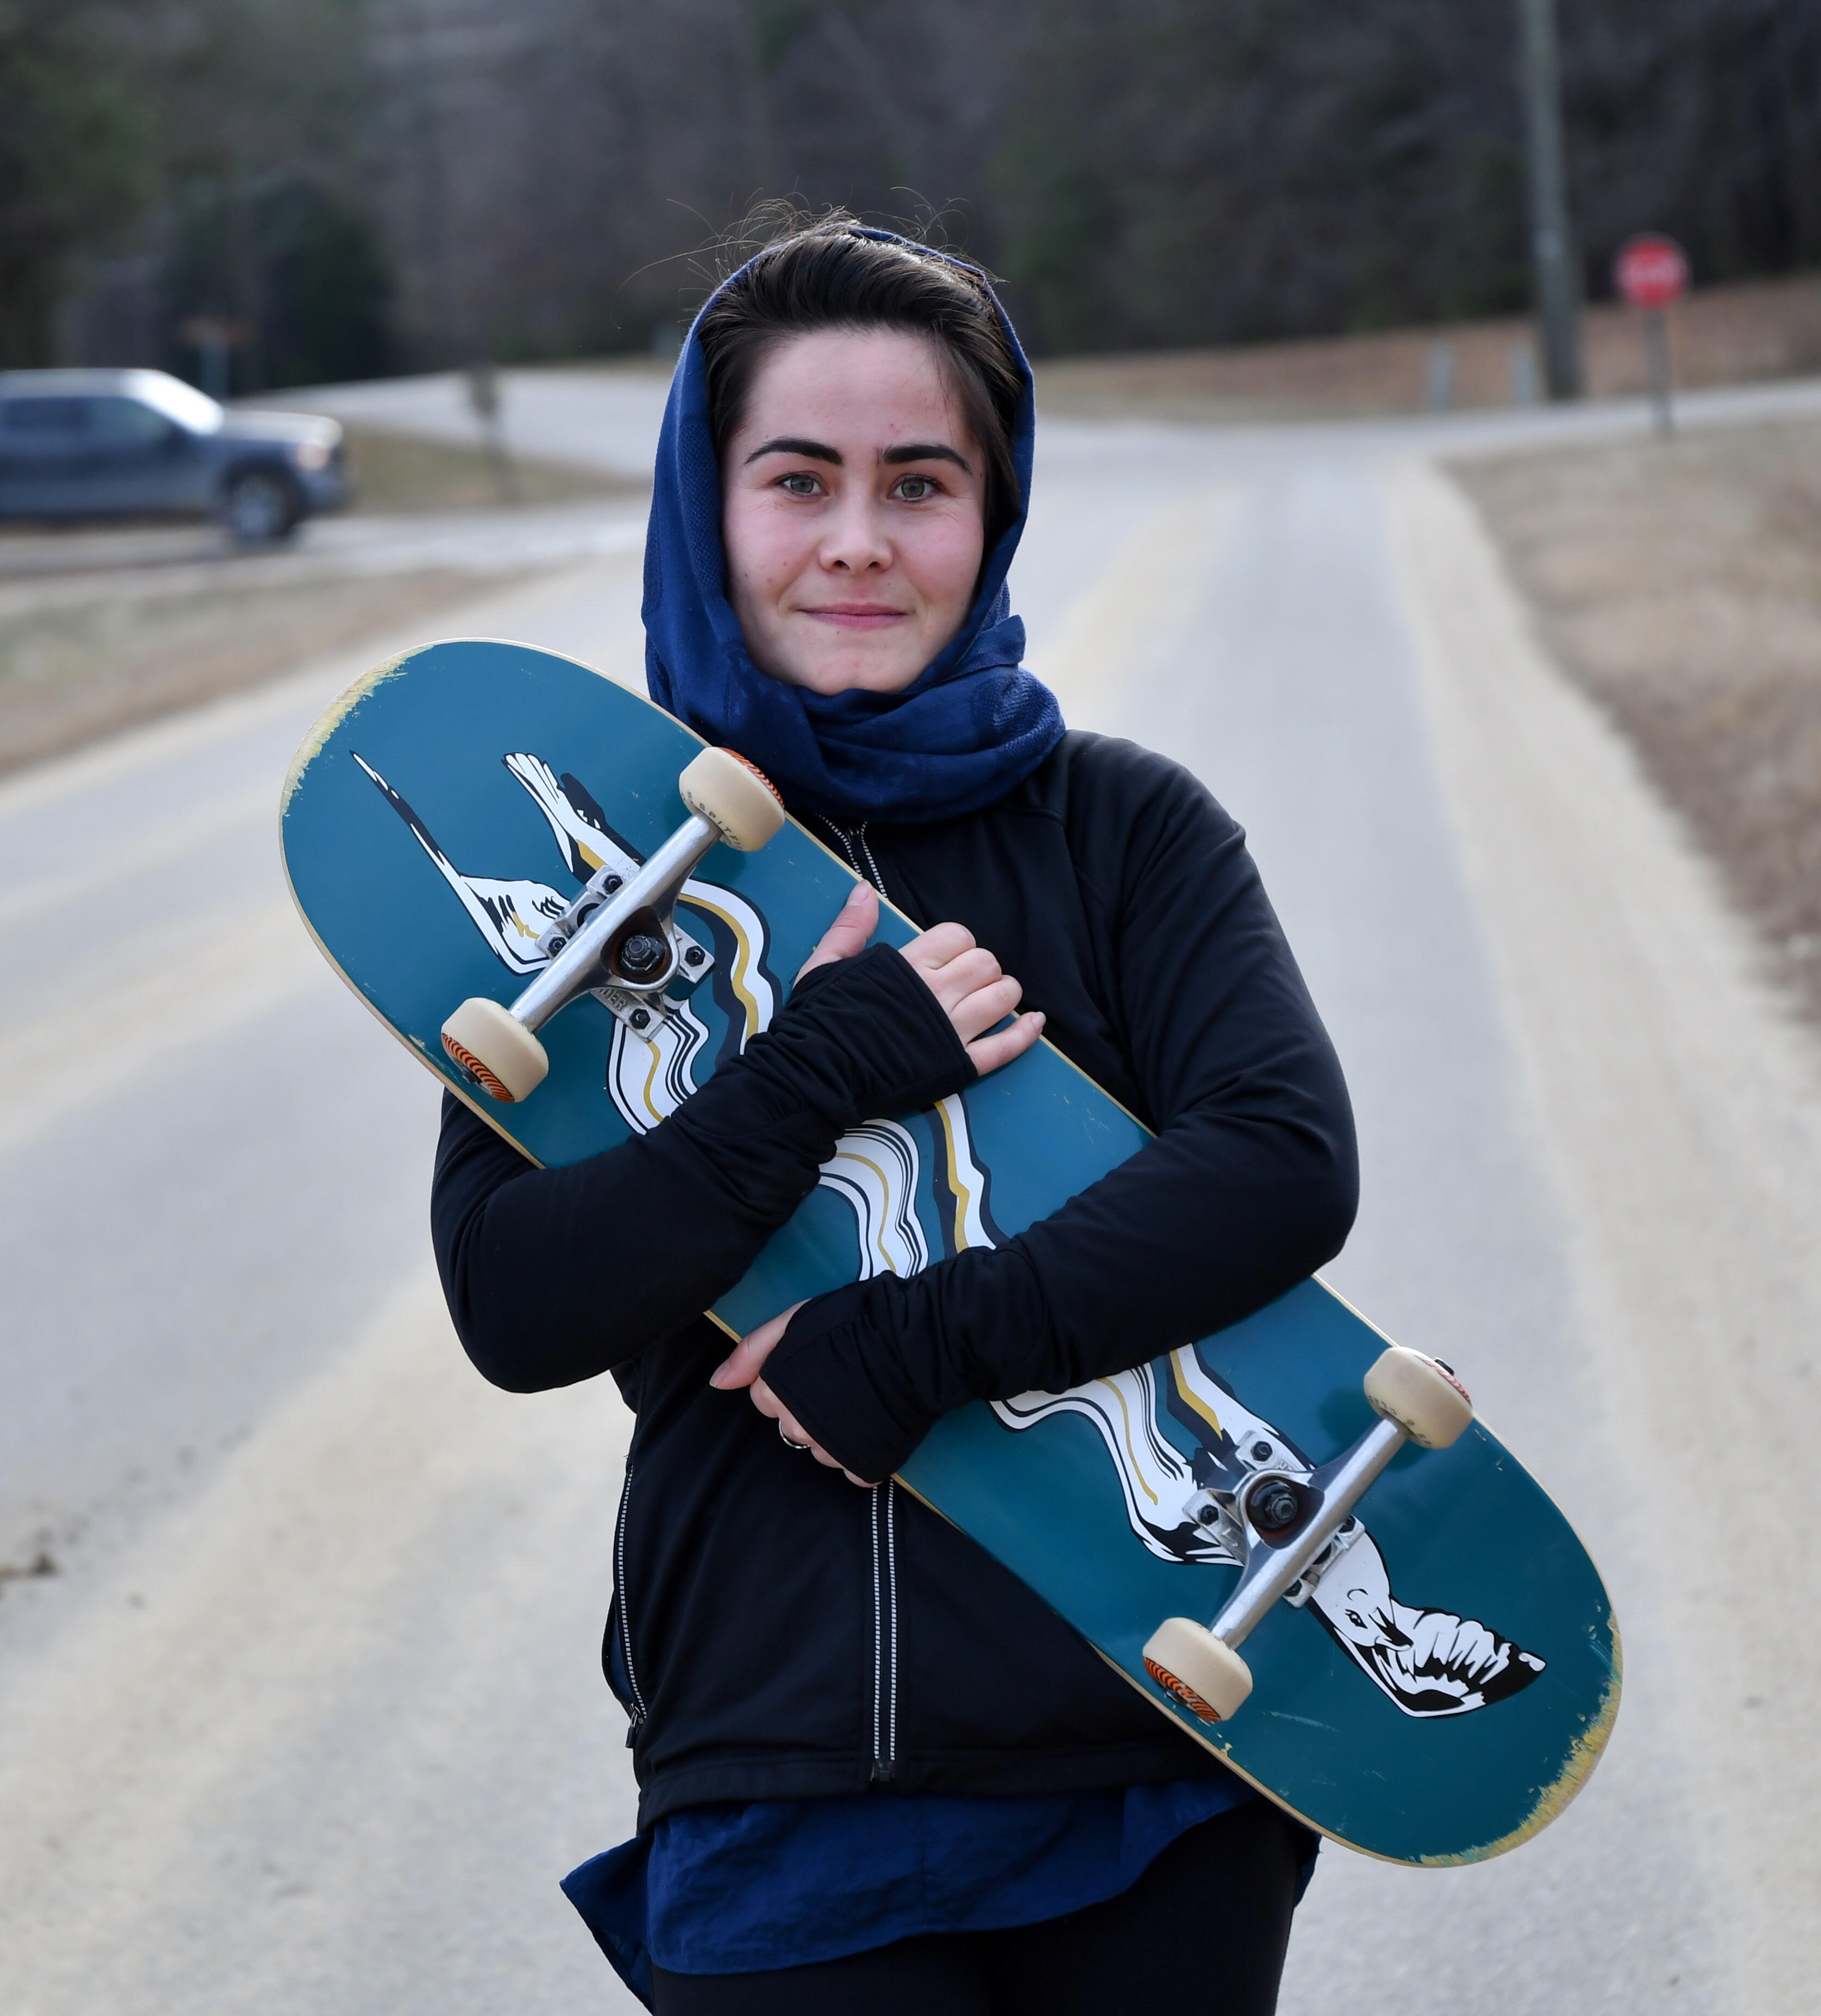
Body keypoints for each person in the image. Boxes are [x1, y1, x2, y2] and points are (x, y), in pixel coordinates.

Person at [429, 217, 1359, 2014]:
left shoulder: (1122, 831)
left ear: (991, 519)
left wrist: (910, 1345)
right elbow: (515, 1299)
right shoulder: (607, 885)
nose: (859, 540)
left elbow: (1279, 1160)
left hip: (1147, 1737)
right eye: (799, 479)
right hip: (777, 1769)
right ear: (709, 510)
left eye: (919, 484)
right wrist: (826, 1064)